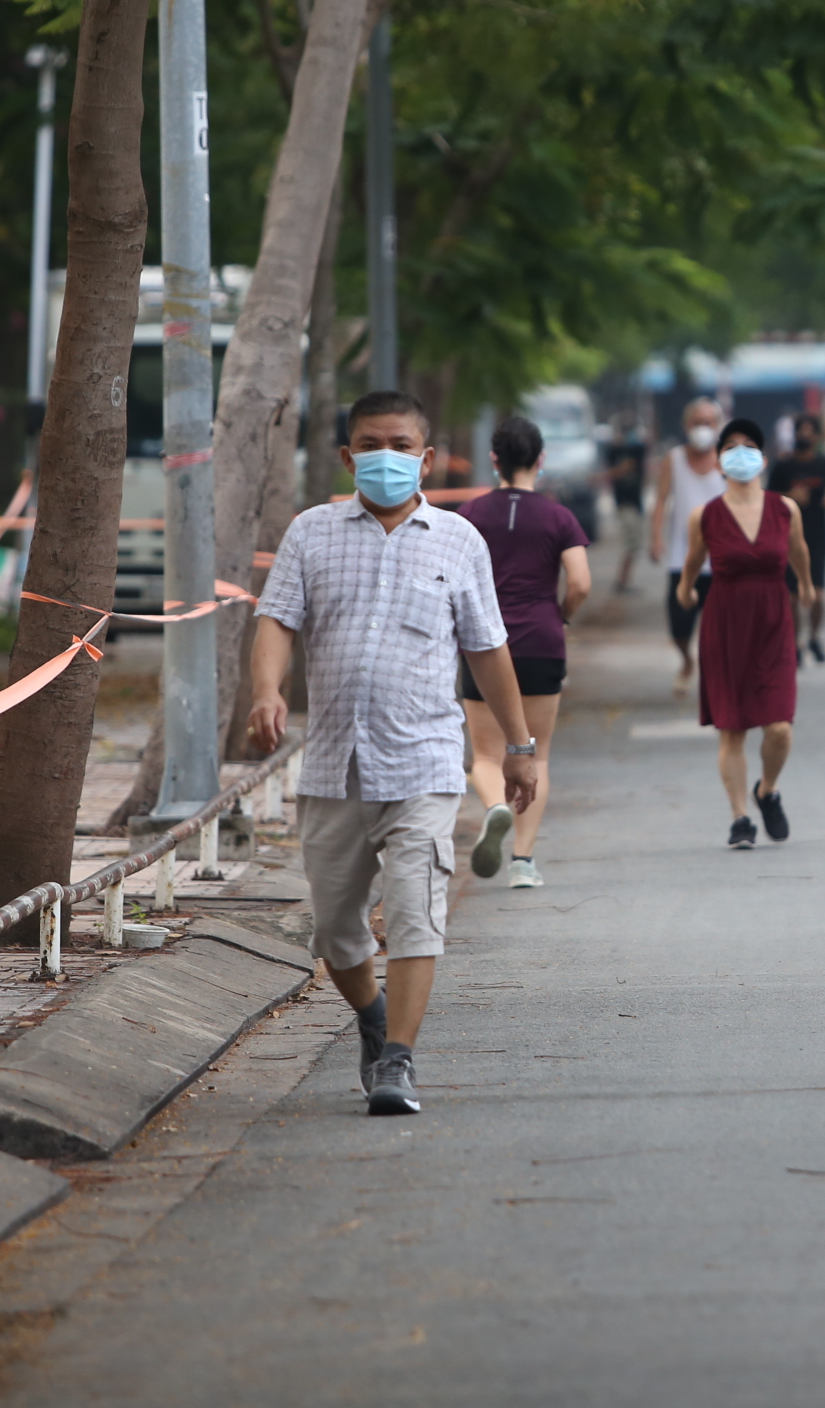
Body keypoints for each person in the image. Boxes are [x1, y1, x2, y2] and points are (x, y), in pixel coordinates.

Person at [245, 390, 539, 1119]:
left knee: (416, 912)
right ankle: (372, 1018)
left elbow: (488, 648)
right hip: (333, 765)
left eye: (402, 445)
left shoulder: (459, 541)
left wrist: (520, 746)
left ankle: (398, 1063)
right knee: (335, 931)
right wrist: (266, 691)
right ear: (347, 457)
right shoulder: (312, 534)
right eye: (372, 444)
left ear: (426, 457)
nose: (388, 457)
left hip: (424, 761)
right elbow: (277, 619)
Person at [458, 414, 593, 891]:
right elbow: (580, 582)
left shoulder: (471, 514)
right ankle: (522, 860)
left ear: (495, 459)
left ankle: (495, 806)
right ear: (541, 459)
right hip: (541, 641)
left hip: (481, 645)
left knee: (488, 757)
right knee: (537, 755)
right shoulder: (559, 516)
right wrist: (560, 614)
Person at [677, 418, 813, 848]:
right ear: (719, 462)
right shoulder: (706, 515)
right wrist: (683, 591)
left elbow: (798, 551)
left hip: (774, 623)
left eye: (749, 445)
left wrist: (806, 586)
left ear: (764, 458)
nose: (740, 453)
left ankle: (766, 790)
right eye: (730, 447)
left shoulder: (784, 509)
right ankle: (740, 818)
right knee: (732, 729)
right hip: (726, 624)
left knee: (779, 727)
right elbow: (694, 560)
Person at [648, 398, 726, 696]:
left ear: (718, 427)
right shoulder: (675, 459)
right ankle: (686, 659)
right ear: (686, 426)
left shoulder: (727, 459)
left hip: (721, 560)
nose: (702, 429)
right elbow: (661, 501)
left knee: (718, 627)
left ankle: (715, 677)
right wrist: (656, 537)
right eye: (697, 423)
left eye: (709, 423)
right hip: (682, 559)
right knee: (679, 626)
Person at [766, 412, 825, 663]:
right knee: (792, 595)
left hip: (818, 536)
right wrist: (789, 496)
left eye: (810, 431)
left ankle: (815, 636)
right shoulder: (783, 467)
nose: (805, 436)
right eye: (801, 431)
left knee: (817, 593)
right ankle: (794, 642)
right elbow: (768, 499)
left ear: (817, 436)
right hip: (788, 537)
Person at [605, 420, 648, 591]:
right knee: (632, 543)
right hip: (624, 503)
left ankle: (624, 580)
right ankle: (623, 581)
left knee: (635, 543)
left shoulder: (637, 450)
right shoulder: (613, 451)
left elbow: (629, 465)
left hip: (635, 503)